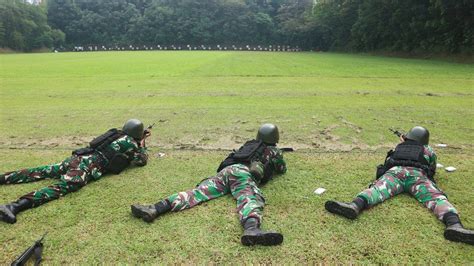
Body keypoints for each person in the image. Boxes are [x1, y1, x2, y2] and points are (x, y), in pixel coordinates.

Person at [131, 124, 287, 246]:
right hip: (242, 174)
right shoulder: (274, 151)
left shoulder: (250, 145)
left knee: (197, 193)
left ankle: (155, 208)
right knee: (248, 196)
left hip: (226, 172)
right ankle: (252, 228)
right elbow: (282, 169)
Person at [325, 126, 474, 245]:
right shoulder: (428, 150)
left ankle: (354, 206)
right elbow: (432, 168)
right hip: (417, 176)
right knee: (436, 199)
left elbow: (388, 161)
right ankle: (454, 225)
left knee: (376, 190)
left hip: (395, 173)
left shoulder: (399, 146)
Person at [0, 119, 150, 224]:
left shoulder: (116, 133)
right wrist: (142, 143)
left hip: (77, 157)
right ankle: (14, 206)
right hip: (84, 167)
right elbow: (142, 160)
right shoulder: (131, 144)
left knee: (42, 171)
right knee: (64, 187)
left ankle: (3, 178)